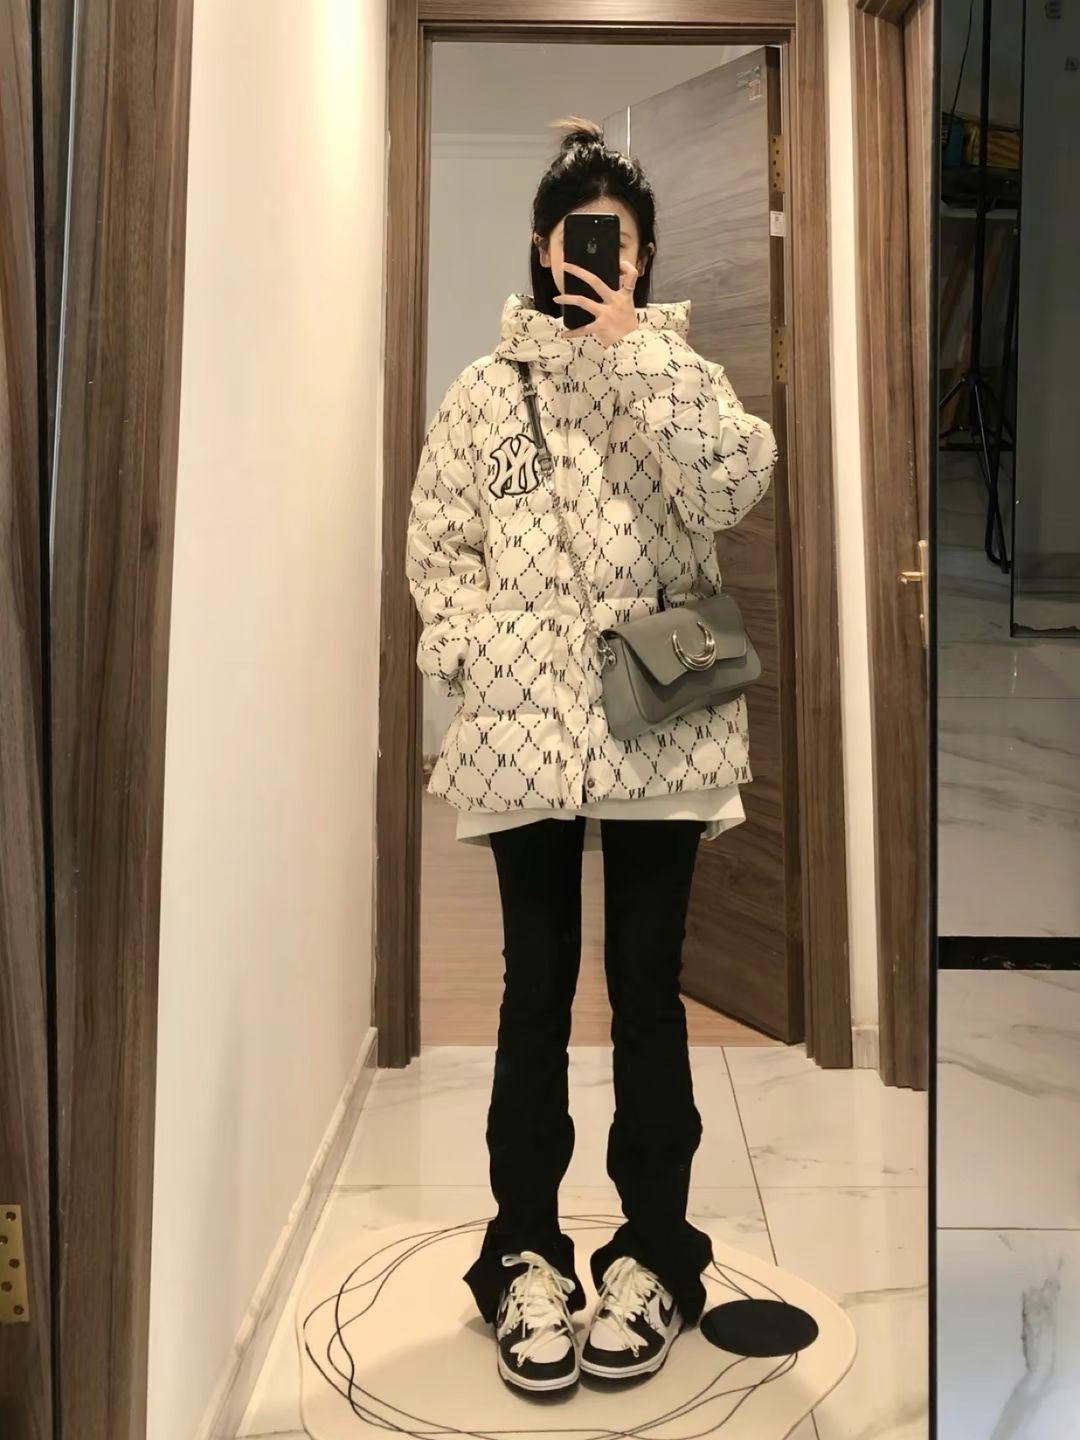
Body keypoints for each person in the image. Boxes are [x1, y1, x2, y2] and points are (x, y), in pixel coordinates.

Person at [406, 116, 776, 1395]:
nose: (595, 262)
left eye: (616, 244)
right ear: (538, 244)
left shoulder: (679, 371)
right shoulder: (482, 390)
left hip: (660, 720)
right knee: (534, 992)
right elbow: (437, 545)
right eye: (576, 240)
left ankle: (656, 1254)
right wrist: (475, 651)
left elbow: (734, 486)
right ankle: (524, 1250)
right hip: (522, 732)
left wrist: (636, 351)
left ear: (646, 256)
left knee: (648, 988)